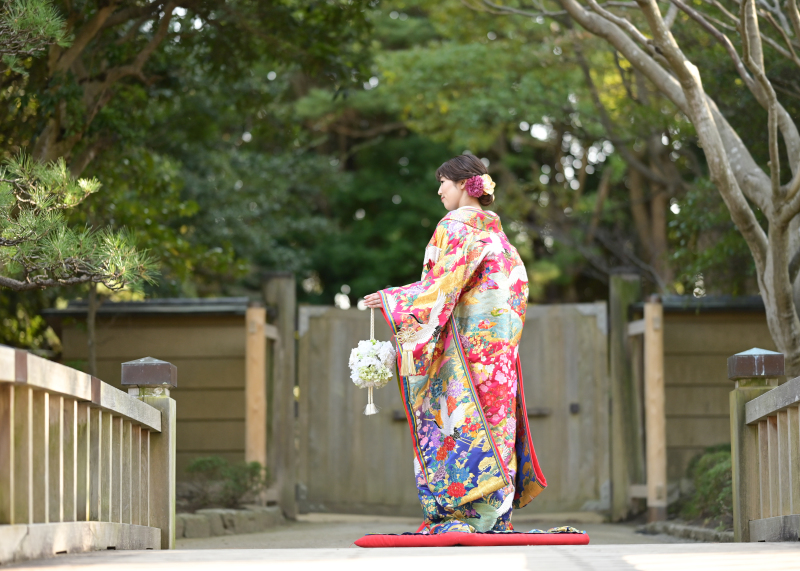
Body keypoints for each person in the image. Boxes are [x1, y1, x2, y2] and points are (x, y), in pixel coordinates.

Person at [363, 154, 546, 534]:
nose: (439, 191)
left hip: (463, 352)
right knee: (496, 423)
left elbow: (442, 284)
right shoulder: (500, 238)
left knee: (454, 419)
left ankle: (458, 515)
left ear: (463, 183)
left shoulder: (455, 227)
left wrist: (394, 298)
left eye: (443, 182)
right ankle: (495, 518)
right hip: (498, 355)